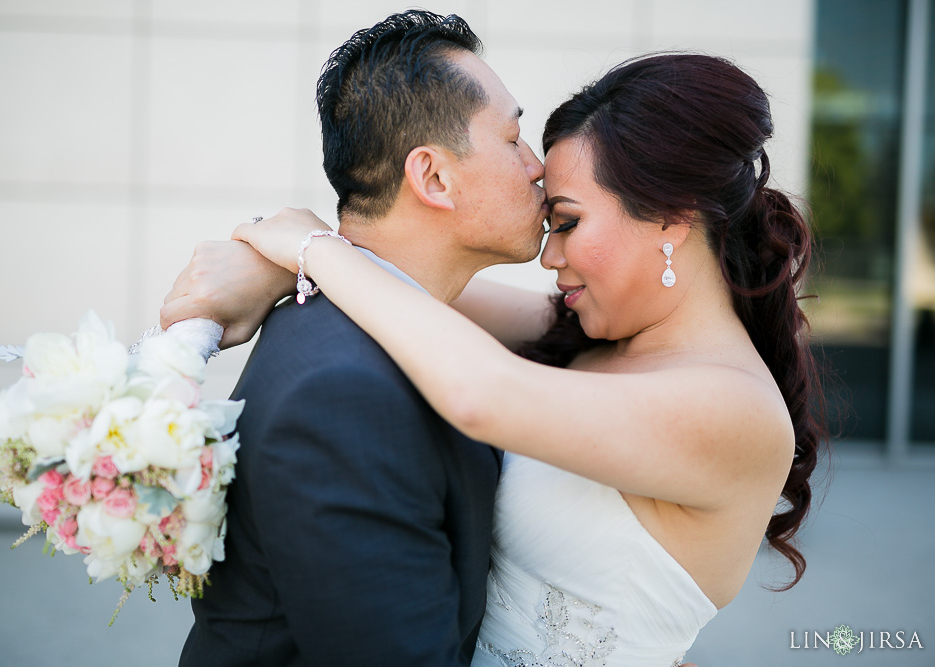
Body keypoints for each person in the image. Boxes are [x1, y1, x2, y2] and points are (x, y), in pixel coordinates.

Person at [164, 53, 826, 666]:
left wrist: (307, 247)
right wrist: (271, 265)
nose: (550, 255)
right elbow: (420, 283)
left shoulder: (736, 410)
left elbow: (483, 391)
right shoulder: (593, 335)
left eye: (566, 222)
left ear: (673, 218)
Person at [174, 11, 550, 666]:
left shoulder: (373, 315)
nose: (538, 167)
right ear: (433, 177)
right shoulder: (341, 397)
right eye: (515, 138)